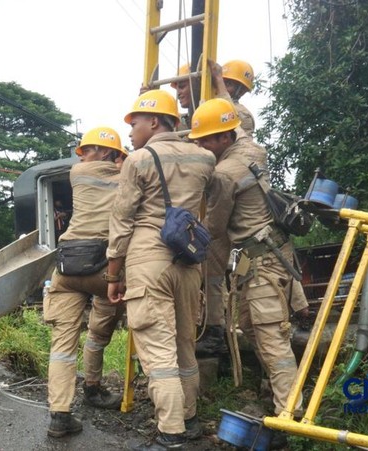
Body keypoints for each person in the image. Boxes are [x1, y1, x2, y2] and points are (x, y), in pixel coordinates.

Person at [106, 90, 215, 449]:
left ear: (154, 121)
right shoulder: (205, 159)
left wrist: (113, 274)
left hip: (149, 260)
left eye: (134, 123)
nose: (131, 132)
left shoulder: (138, 160)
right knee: (185, 345)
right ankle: (190, 418)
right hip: (187, 261)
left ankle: (170, 434)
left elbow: (121, 221)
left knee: (159, 352)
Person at [193, 99, 302, 443]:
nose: (201, 146)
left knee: (271, 340)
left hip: (263, 261)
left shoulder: (224, 174)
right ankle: (280, 404)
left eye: (206, 140)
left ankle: (290, 417)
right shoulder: (254, 150)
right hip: (267, 256)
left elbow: (216, 226)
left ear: (225, 138)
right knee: (255, 331)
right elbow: (240, 121)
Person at [44, 126, 129, 438]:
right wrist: (125, 159)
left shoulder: (76, 173)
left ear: (101, 153)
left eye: (88, 149)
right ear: (113, 154)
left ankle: (60, 414)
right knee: (98, 330)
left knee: (62, 345)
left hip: (68, 266)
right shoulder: (127, 175)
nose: (83, 156)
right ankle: (93, 386)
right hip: (105, 268)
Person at [221, 60, 256, 136]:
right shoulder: (206, 105)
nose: (220, 87)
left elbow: (244, 146)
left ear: (241, 91)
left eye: (228, 84)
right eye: (220, 82)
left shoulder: (242, 115)